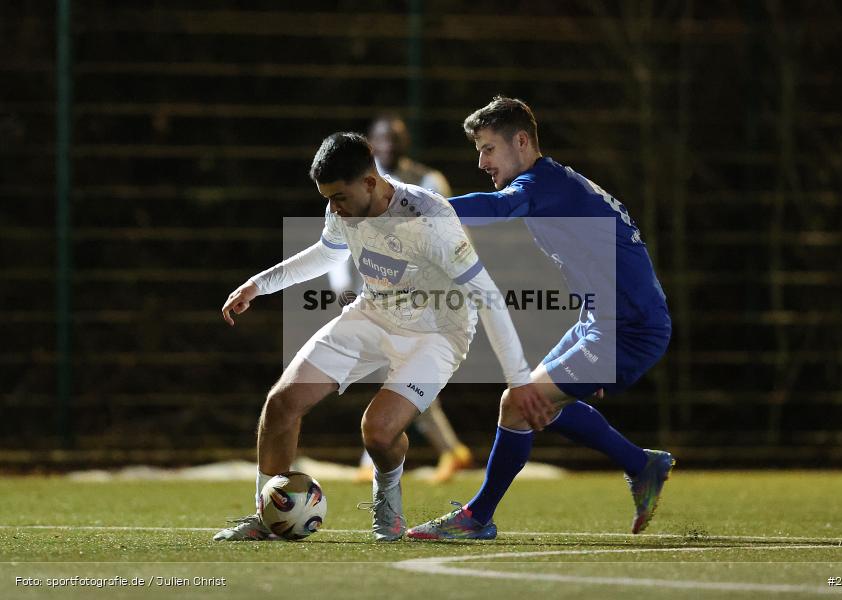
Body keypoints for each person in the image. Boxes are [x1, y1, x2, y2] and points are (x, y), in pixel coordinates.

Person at [215, 132, 548, 542]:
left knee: (378, 431)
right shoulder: (341, 209)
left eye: (339, 196)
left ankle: (387, 495)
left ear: (370, 182)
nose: (333, 207)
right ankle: (268, 517)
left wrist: (518, 380)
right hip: (373, 313)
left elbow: (488, 296)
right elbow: (328, 252)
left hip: (439, 333)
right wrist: (258, 284)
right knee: (281, 404)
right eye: (327, 198)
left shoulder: (430, 217)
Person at [406, 97, 675, 540]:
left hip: (630, 329)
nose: (481, 161)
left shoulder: (541, 184)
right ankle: (642, 465)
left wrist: (416, 208)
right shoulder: (551, 183)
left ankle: (476, 519)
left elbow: (495, 208)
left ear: (522, 141)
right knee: (531, 405)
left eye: (488, 149)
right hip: (605, 322)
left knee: (518, 403)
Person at [349, 115, 473, 485]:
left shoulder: (429, 181)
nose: (389, 145)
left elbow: (452, 231)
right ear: (369, 144)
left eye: (396, 138)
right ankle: (450, 450)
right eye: (382, 139)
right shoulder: (357, 184)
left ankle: (376, 459)